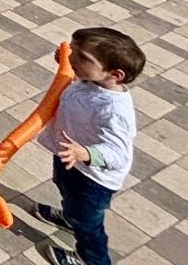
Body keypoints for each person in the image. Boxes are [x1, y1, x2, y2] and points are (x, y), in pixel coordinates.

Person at [33, 28, 144, 265]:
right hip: (72, 161)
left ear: (116, 75)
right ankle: (71, 216)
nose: (72, 58)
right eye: (73, 51)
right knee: (66, 192)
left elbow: (119, 155)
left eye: (82, 58)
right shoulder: (93, 81)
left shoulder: (114, 110)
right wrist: (69, 64)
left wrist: (85, 153)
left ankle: (92, 259)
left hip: (92, 179)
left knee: (89, 225)